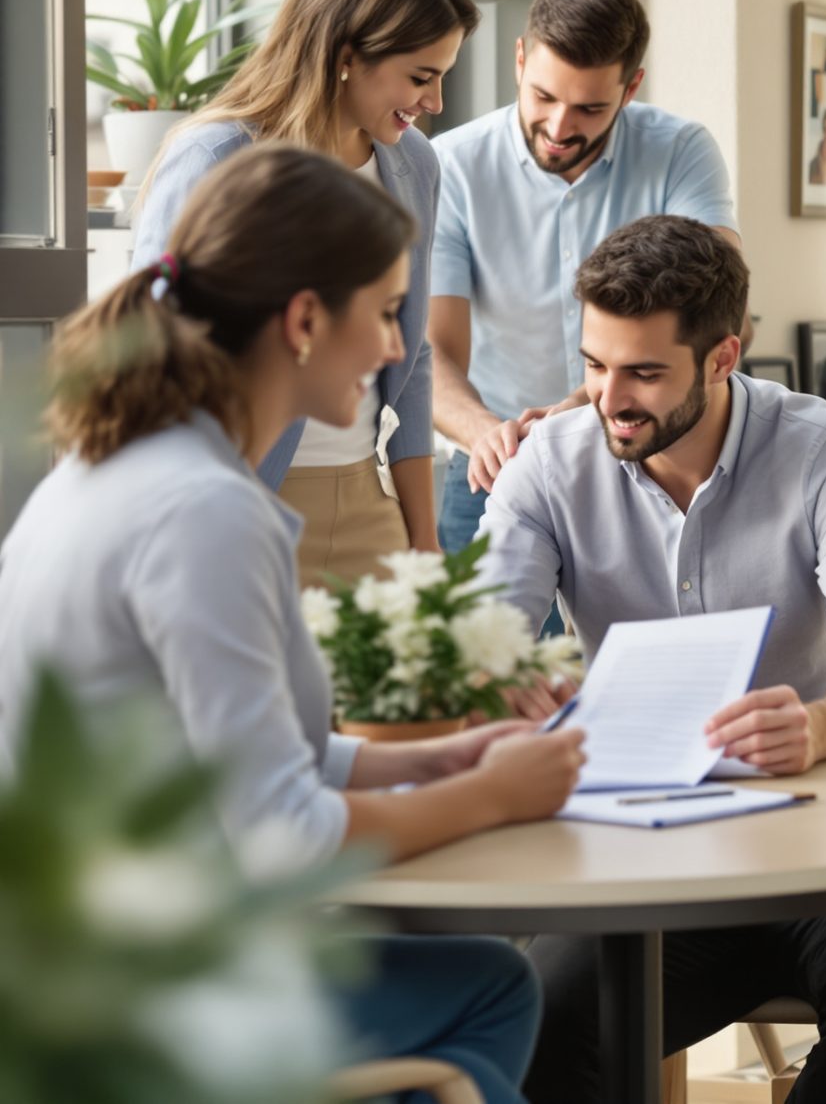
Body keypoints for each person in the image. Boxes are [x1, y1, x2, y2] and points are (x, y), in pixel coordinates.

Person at [0, 148, 589, 1103]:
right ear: (307, 320)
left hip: (66, 955)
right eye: (387, 311)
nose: (400, 346)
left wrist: (423, 761)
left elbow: (220, 755)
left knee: (463, 982)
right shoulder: (203, 512)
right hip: (131, 996)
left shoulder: (118, 469)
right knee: (487, 985)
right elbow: (281, 831)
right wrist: (495, 796)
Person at [473, 216, 826, 1103]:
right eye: (595, 365)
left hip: (821, 851)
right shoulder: (549, 467)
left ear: (723, 358)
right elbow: (476, 645)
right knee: (539, 1032)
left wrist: (825, 721)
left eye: (644, 371)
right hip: (641, 856)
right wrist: (502, 686)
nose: (609, 397)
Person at [131, 0, 475, 587]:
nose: (434, 103)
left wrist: (423, 535)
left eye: (442, 77)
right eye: (420, 76)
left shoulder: (413, 164)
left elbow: (415, 351)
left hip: (370, 505)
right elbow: (152, 352)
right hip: (245, 504)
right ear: (347, 56)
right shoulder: (218, 156)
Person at [428, 0, 745, 560]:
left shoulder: (680, 152)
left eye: (590, 108)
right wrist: (485, 433)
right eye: (543, 97)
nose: (559, 127)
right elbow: (433, 352)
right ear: (520, 61)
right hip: (499, 463)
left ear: (631, 89)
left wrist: (584, 407)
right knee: (486, 651)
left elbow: (722, 311)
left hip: (651, 454)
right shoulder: (450, 166)